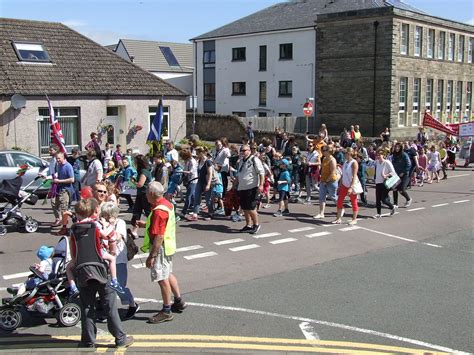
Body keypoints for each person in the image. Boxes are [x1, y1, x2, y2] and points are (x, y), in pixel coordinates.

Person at [69, 198, 133, 349]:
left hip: (83, 270)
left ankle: (88, 341)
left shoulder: (74, 229)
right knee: (109, 305)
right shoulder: (98, 225)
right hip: (102, 269)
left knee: (87, 307)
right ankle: (120, 338)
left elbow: (73, 253)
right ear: (95, 211)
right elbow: (113, 240)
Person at [137, 182, 186, 323]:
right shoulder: (167, 204)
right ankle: (178, 300)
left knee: (161, 278)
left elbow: (159, 235)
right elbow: (163, 225)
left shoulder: (159, 211)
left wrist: (151, 256)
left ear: (152, 194)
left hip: (160, 248)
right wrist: (146, 224)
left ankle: (166, 310)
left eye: (147, 192)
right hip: (169, 246)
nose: (145, 194)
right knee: (168, 273)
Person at [100, 202, 139, 320]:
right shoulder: (101, 223)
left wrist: (108, 227)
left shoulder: (120, 223)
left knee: (119, 286)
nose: (106, 218)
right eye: (104, 215)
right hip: (106, 259)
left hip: (119, 259)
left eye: (108, 215)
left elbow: (117, 237)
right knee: (106, 287)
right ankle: (109, 311)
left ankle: (132, 304)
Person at [235, 144, 265, 234]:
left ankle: (256, 224)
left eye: (244, 150)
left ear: (249, 150)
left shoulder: (254, 159)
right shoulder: (241, 161)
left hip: (252, 187)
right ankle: (248, 225)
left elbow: (261, 173)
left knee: (251, 207)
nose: (243, 152)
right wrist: (235, 184)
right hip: (242, 187)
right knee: (245, 207)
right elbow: (239, 173)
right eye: (241, 150)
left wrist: (261, 185)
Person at [333, 148, 360, 225]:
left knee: (353, 201)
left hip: (351, 185)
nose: (344, 154)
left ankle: (354, 219)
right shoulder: (345, 162)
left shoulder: (354, 163)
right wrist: (339, 186)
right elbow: (343, 175)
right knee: (339, 201)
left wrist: (351, 187)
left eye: (346, 153)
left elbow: (354, 176)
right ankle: (338, 218)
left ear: (350, 153)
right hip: (344, 185)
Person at [187, 147, 213, 221]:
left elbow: (210, 174)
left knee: (208, 199)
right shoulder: (199, 161)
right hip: (200, 181)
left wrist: (208, 184)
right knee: (197, 197)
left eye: (197, 153)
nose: (196, 155)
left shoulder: (208, 162)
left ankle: (210, 213)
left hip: (206, 182)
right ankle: (195, 214)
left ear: (201, 153)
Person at [53, 152, 75, 236]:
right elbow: (58, 176)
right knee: (57, 205)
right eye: (56, 158)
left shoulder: (68, 166)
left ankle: (65, 227)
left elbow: (72, 179)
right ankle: (66, 221)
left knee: (64, 209)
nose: (57, 160)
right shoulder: (59, 165)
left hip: (66, 190)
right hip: (60, 189)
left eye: (59, 158)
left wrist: (59, 181)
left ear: (63, 157)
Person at [130, 155, 152, 238]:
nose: (134, 163)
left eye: (135, 162)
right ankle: (134, 231)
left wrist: (132, 182)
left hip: (145, 195)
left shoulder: (144, 171)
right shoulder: (141, 171)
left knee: (148, 213)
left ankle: (152, 229)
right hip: (140, 194)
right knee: (136, 212)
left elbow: (140, 184)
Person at [314, 146, 338, 219]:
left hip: (331, 181)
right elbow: (322, 169)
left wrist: (327, 181)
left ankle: (341, 207)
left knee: (333, 196)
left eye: (324, 150)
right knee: (321, 197)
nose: (322, 151)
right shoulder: (324, 158)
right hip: (323, 180)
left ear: (328, 151)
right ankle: (321, 213)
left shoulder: (332, 160)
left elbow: (333, 172)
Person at [373, 149, 397, 218]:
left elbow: (393, 172)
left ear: (383, 155)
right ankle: (378, 213)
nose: (378, 156)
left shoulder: (387, 162)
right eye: (377, 155)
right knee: (377, 199)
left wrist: (386, 175)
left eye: (380, 155)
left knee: (383, 199)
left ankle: (392, 207)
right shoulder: (377, 162)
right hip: (378, 182)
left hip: (385, 183)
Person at [391, 142, 412, 208]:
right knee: (394, 189)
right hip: (396, 175)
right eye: (396, 147)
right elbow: (392, 164)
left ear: (401, 148)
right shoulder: (394, 155)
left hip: (405, 175)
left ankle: (408, 199)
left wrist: (403, 172)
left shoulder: (404, 155)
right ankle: (395, 204)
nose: (397, 148)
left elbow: (409, 164)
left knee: (402, 190)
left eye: (398, 147)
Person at [180, 149, 198, 217]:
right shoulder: (187, 160)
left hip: (192, 180)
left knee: (188, 196)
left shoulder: (192, 161)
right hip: (188, 179)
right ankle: (194, 209)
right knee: (192, 195)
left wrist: (183, 172)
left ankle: (184, 212)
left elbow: (191, 171)